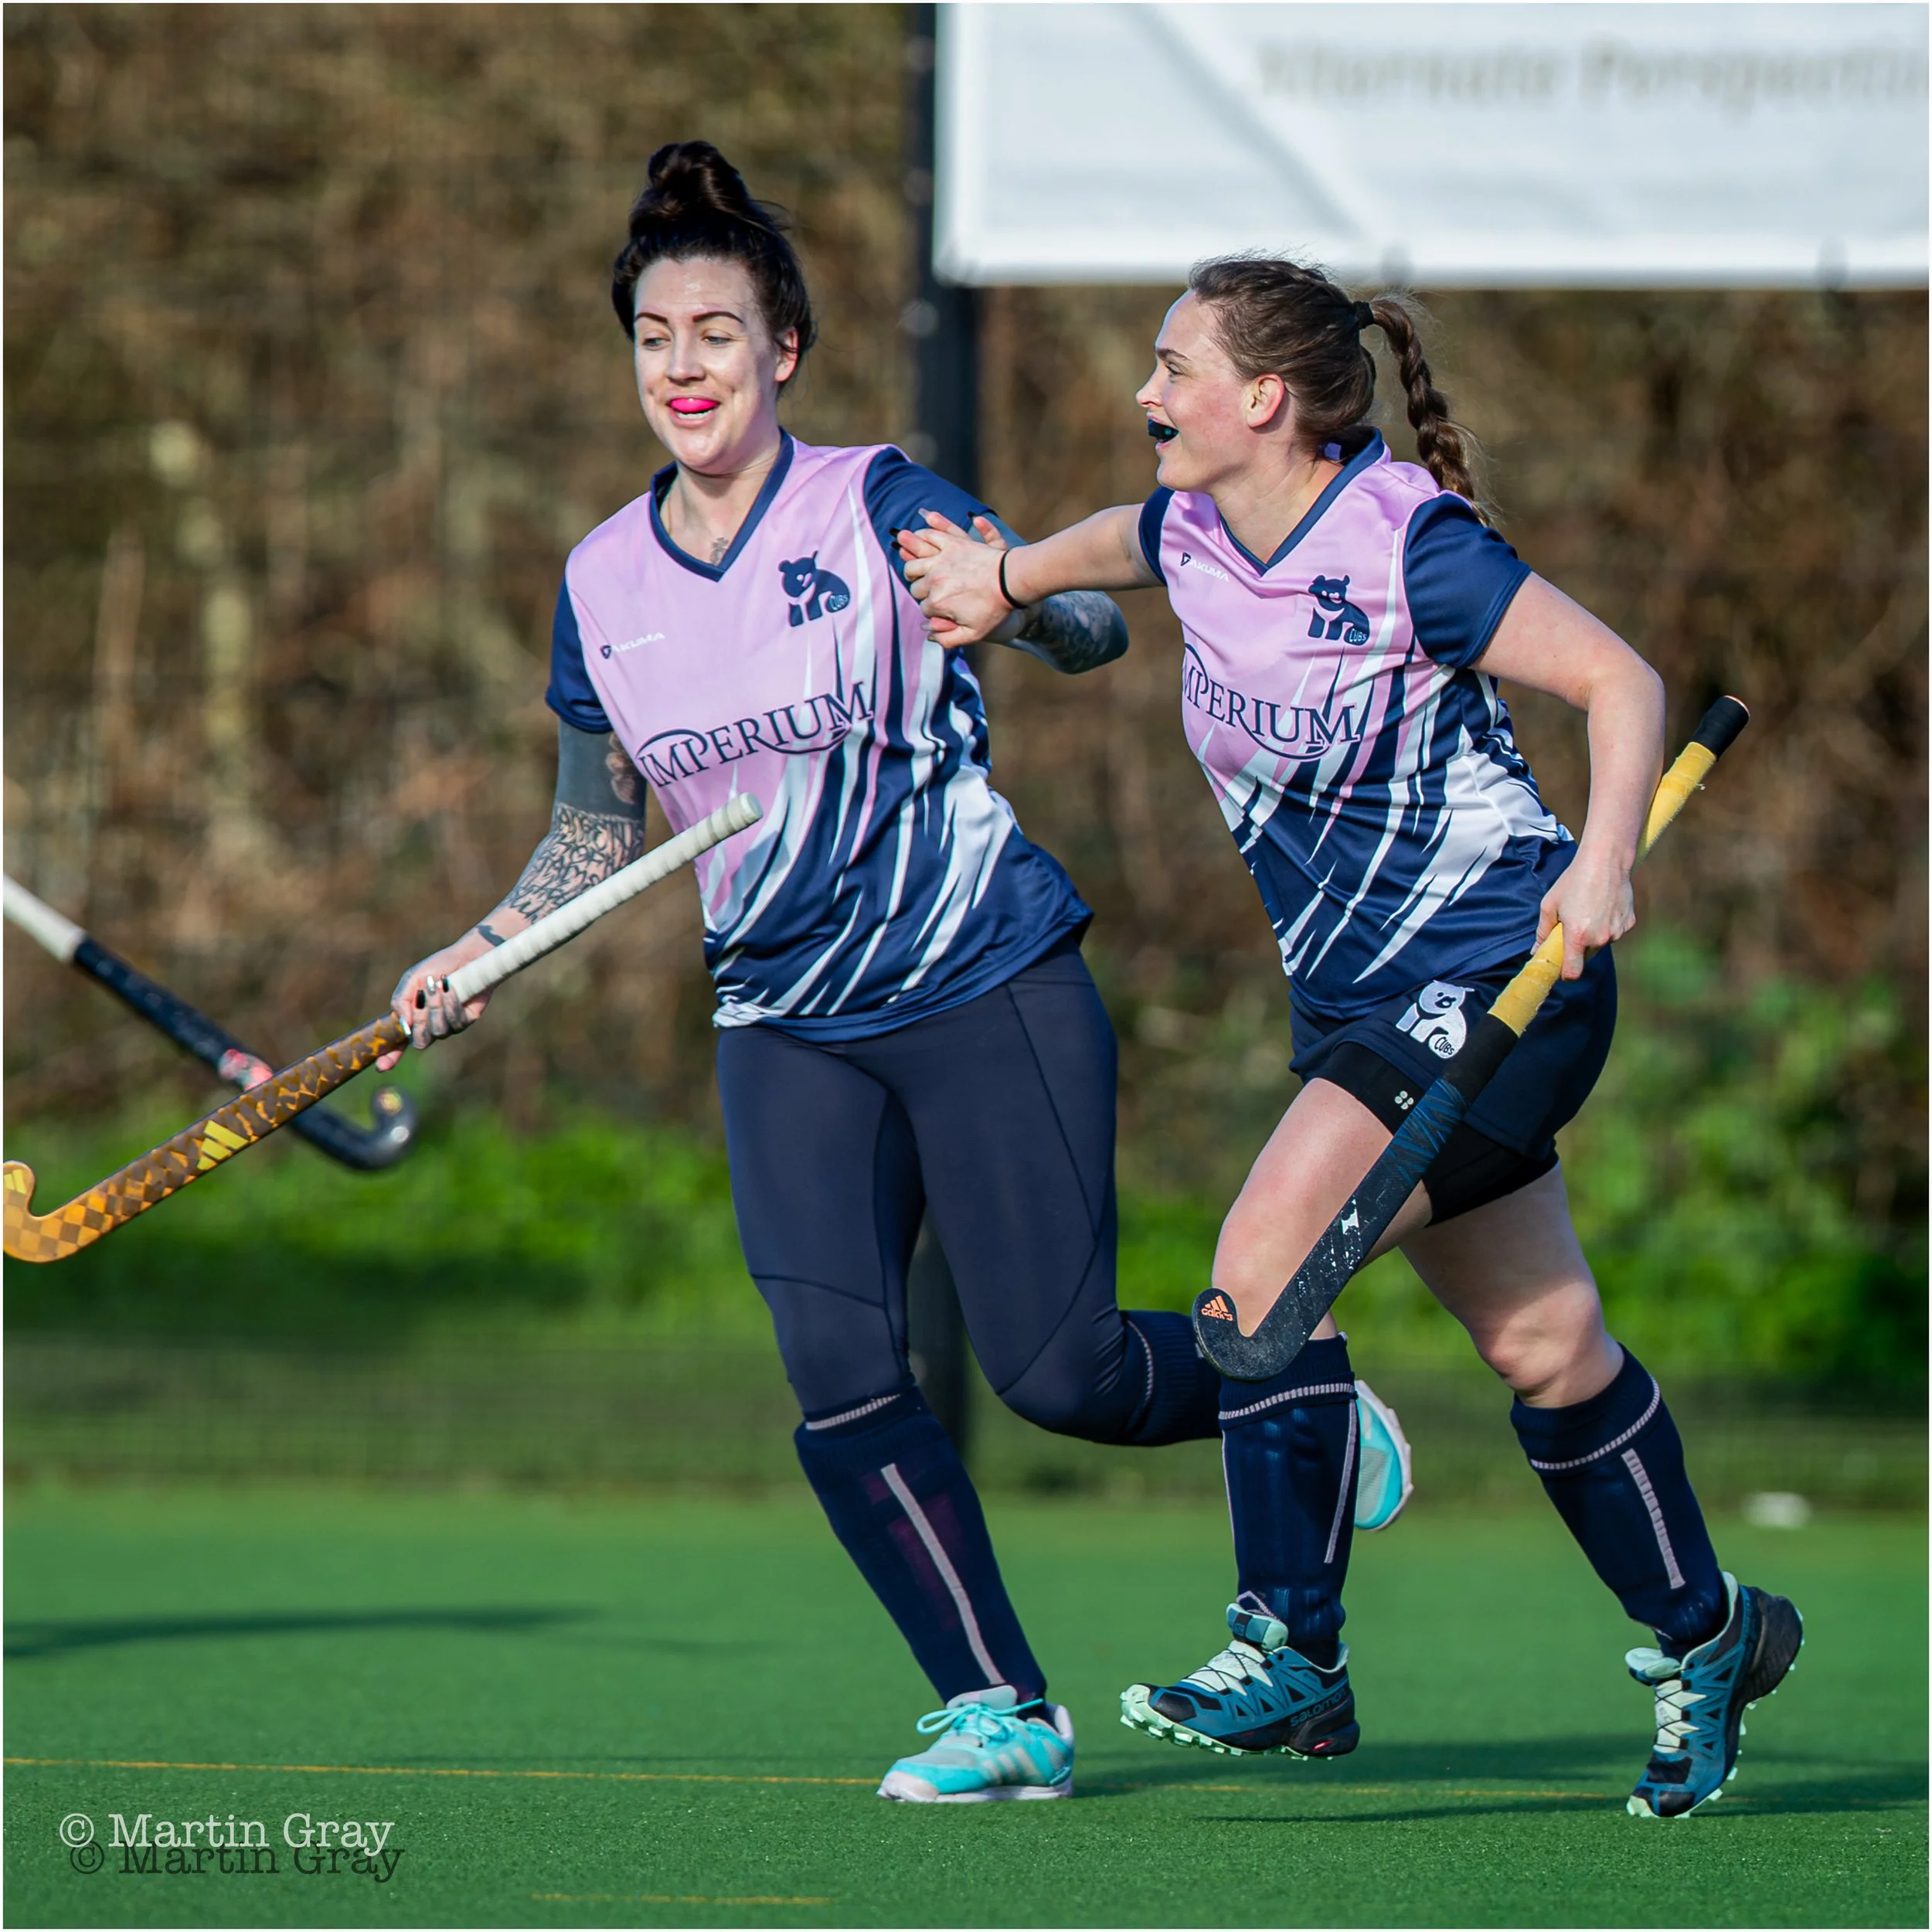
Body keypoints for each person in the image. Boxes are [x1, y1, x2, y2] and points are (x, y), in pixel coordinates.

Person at [378, 148, 1412, 1804]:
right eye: (655, 337)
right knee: (836, 1379)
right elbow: (589, 842)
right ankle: (998, 1702)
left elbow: (1088, 635)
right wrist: (473, 951)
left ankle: (1291, 1386)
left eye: (719, 330)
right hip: (781, 1019)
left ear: (784, 346)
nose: (685, 366)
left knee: (1056, 1372)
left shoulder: (876, 498)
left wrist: (1001, 605)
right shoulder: (598, 586)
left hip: (975, 972)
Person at [899, 255, 1803, 1818]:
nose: (1144, 392)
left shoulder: (1409, 549)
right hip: (1359, 999)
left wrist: (1598, 862)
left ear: (1263, 399)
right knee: (1542, 1345)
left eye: (1172, 366)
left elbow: (1617, 678)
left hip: (1498, 964)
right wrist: (1010, 580)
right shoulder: (1191, 525)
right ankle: (1709, 1631)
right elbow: (1125, 542)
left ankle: (1290, 1650)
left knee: (1260, 1268)